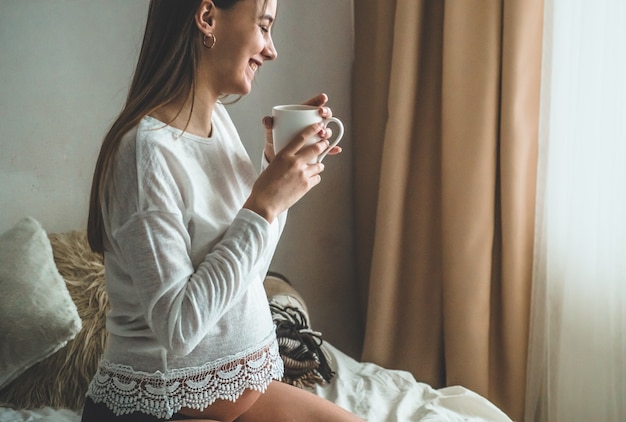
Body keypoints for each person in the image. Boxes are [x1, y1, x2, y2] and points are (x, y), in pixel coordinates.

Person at [81, 0, 362, 421]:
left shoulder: (218, 125)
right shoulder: (146, 152)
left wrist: (276, 183)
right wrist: (263, 204)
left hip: (242, 393)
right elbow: (178, 328)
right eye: (264, 26)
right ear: (207, 18)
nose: (271, 50)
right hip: (159, 409)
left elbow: (245, 273)